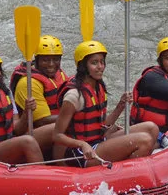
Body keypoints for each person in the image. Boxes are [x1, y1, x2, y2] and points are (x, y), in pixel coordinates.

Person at [53, 40, 157, 168]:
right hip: (81, 153)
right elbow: (57, 135)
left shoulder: (98, 87)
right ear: (83, 66)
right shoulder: (74, 95)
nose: (100, 66)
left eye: (102, 62)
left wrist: (121, 106)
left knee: (152, 128)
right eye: (94, 63)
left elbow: (101, 125)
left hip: (99, 141)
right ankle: (126, 174)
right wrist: (81, 144)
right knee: (144, 140)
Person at [10, 35, 69, 128]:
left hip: (59, 124)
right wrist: (74, 116)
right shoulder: (28, 83)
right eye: (45, 60)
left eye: (56, 59)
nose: (51, 64)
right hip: (37, 131)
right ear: (36, 60)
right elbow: (41, 122)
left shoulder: (59, 74)